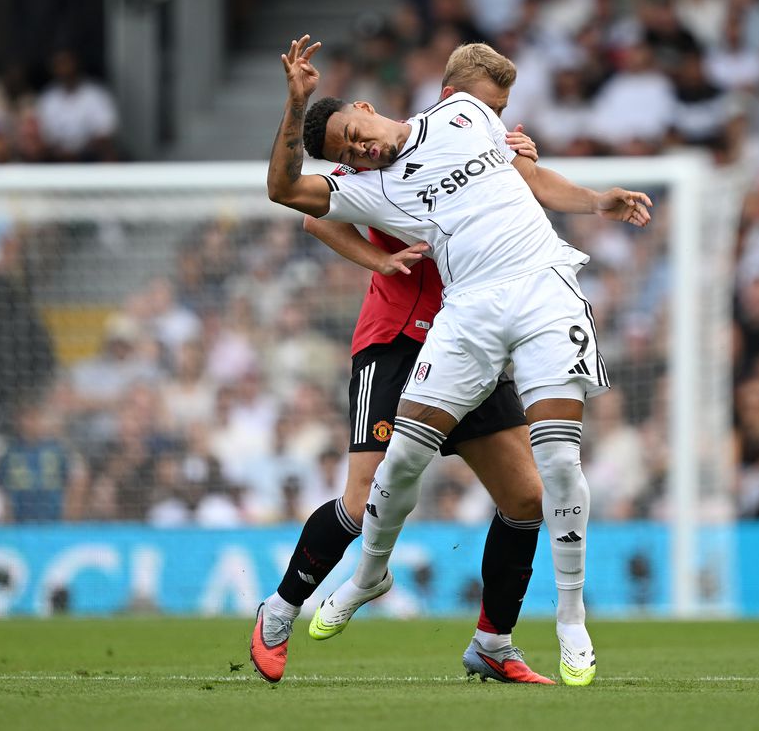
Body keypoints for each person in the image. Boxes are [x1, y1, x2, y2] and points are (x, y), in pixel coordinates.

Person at [262, 35, 651, 686]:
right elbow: (295, 202)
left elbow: (517, 151)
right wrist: (377, 258)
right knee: (367, 495)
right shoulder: (365, 184)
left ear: (367, 107)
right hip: (402, 336)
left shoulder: (463, 115)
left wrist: (543, 166)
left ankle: (496, 641)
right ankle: (281, 609)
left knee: (530, 492)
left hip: (492, 317)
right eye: (347, 152)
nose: (360, 149)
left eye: (356, 134)